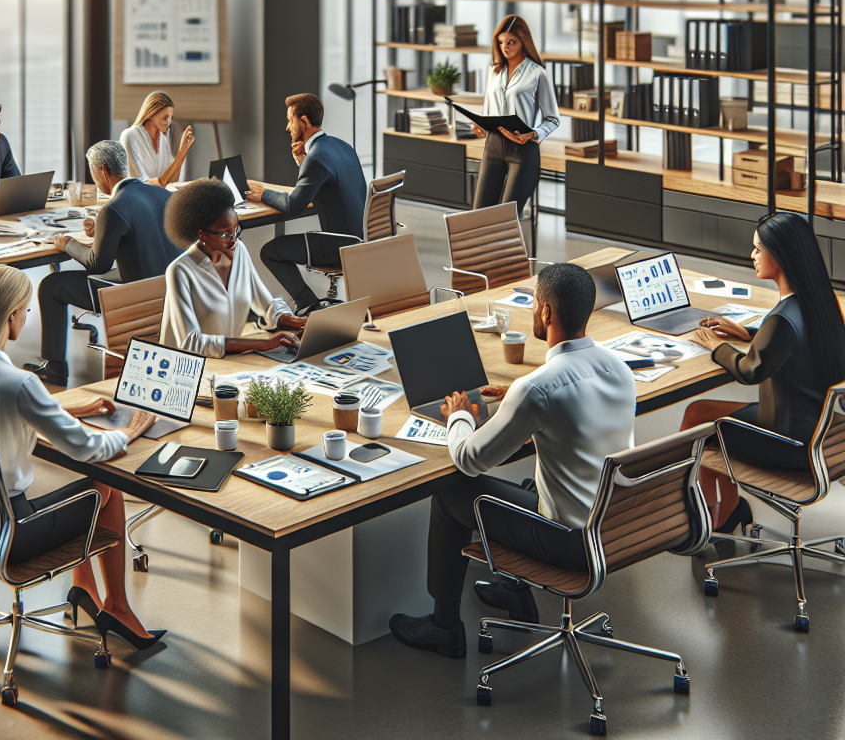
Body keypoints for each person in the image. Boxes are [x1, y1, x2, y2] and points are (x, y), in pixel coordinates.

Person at [389, 263, 636, 658]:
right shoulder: (619, 369)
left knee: (450, 492)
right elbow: (574, 409)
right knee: (529, 486)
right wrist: (520, 396)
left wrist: (459, 416)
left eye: (536, 303)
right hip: (613, 523)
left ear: (546, 313)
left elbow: (470, 460)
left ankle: (444, 626)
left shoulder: (537, 389)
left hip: (569, 543)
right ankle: (516, 593)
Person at [0, 264, 164, 650]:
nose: (27, 319)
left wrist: (71, 412)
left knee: (82, 490)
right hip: (15, 531)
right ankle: (117, 606)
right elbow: (86, 448)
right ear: (10, 315)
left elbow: (3, 410)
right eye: (26, 310)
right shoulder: (20, 382)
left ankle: (84, 588)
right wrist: (129, 432)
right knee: (106, 483)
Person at [680, 211, 845, 534]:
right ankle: (729, 510)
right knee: (700, 412)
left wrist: (716, 345)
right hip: (820, 434)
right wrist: (751, 334)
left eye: (758, 249)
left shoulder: (783, 319)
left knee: (699, 427)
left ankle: (711, 518)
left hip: (789, 442)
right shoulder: (822, 305)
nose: (752, 255)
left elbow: (749, 370)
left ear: (780, 255)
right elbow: (795, 343)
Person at [27, 140, 183, 387]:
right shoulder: (163, 193)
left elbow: (96, 264)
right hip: (171, 292)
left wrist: (66, 243)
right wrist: (100, 231)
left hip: (137, 298)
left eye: (93, 174)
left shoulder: (115, 207)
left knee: (51, 286)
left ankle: (55, 369)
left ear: (103, 172)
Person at [244, 93, 367, 314]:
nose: (287, 127)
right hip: (362, 238)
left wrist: (262, 194)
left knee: (270, 252)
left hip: (339, 246)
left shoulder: (317, 157)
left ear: (304, 121)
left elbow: (293, 205)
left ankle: (310, 306)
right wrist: (303, 162)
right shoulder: (342, 146)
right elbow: (325, 187)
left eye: (290, 120)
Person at [160, 178, 306, 357]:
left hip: (227, 361)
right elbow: (191, 342)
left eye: (235, 230)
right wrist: (263, 344)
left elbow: (267, 306)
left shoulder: (239, 252)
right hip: (185, 367)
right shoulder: (180, 271)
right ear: (202, 234)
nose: (233, 240)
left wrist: (296, 321)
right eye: (224, 234)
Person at [471, 14, 560, 213]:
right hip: (492, 148)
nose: (505, 47)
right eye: (501, 42)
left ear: (523, 42)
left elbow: (553, 119)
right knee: (478, 215)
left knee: (506, 218)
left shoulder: (537, 74)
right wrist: (480, 126)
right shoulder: (493, 72)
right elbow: (487, 110)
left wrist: (534, 133)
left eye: (511, 42)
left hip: (522, 151)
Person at [119, 92, 194, 187]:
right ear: (151, 113)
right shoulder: (130, 136)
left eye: (171, 118)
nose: (169, 122)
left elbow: (171, 181)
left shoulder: (163, 139)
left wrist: (184, 150)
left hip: (160, 196)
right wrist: (181, 153)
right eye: (165, 118)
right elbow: (142, 185)